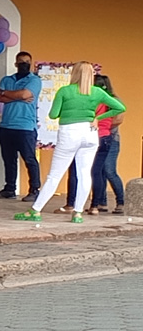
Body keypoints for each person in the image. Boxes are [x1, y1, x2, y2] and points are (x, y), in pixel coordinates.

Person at [14, 62, 125, 224]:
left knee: (55, 175)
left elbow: (53, 114)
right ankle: (78, 213)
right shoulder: (97, 92)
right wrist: (97, 118)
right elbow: (120, 107)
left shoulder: (65, 91)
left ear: (74, 74)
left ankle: (35, 210)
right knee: (84, 173)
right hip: (90, 133)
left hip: (69, 133)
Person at [0, 51, 43, 202]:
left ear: (31, 64)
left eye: (27, 62)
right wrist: (17, 95)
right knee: (9, 159)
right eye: (21, 62)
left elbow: (24, 95)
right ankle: (9, 189)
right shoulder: (7, 79)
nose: (24, 64)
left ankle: (34, 189)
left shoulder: (34, 80)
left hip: (25, 127)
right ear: (16, 64)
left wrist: (6, 94)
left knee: (29, 158)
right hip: (6, 125)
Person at [87, 74, 126, 215]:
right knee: (98, 172)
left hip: (111, 139)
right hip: (95, 138)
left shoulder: (113, 101)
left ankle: (121, 201)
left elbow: (118, 119)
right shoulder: (94, 101)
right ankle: (100, 202)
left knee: (109, 171)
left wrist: (101, 122)